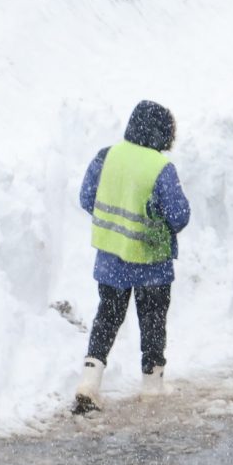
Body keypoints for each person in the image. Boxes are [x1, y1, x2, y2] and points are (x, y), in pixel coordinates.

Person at [74, 100, 190, 412]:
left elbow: (87, 197)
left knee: (107, 318)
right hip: (151, 262)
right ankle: (152, 386)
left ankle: (89, 381)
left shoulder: (106, 155)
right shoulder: (160, 167)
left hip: (112, 260)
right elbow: (179, 215)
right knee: (152, 322)